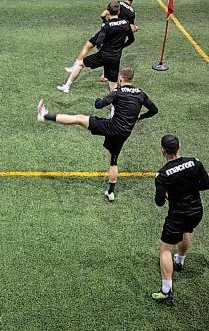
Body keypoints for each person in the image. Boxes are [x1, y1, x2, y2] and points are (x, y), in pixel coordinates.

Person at [39, 67, 158, 201]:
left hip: (111, 127)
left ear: (121, 79)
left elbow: (99, 105)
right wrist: (140, 117)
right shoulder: (140, 93)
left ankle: (45, 115)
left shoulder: (117, 92)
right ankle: (111, 192)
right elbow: (154, 110)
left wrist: (98, 99)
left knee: (79, 118)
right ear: (132, 79)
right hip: (125, 132)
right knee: (113, 161)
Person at [151, 135, 209, 303]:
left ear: (163, 150)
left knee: (165, 250)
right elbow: (206, 184)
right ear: (179, 146)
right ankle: (180, 261)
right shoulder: (195, 162)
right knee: (186, 231)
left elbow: (159, 202)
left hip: (177, 215)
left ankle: (166, 291)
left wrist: (170, 194)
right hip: (196, 211)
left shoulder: (162, 174)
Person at [57, 1, 134, 94]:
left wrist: (101, 49)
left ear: (108, 12)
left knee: (80, 64)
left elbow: (98, 42)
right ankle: (114, 108)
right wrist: (122, 46)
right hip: (115, 58)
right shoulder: (126, 23)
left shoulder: (106, 26)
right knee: (113, 86)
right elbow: (131, 39)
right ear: (119, 12)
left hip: (103, 56)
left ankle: (67, 86)